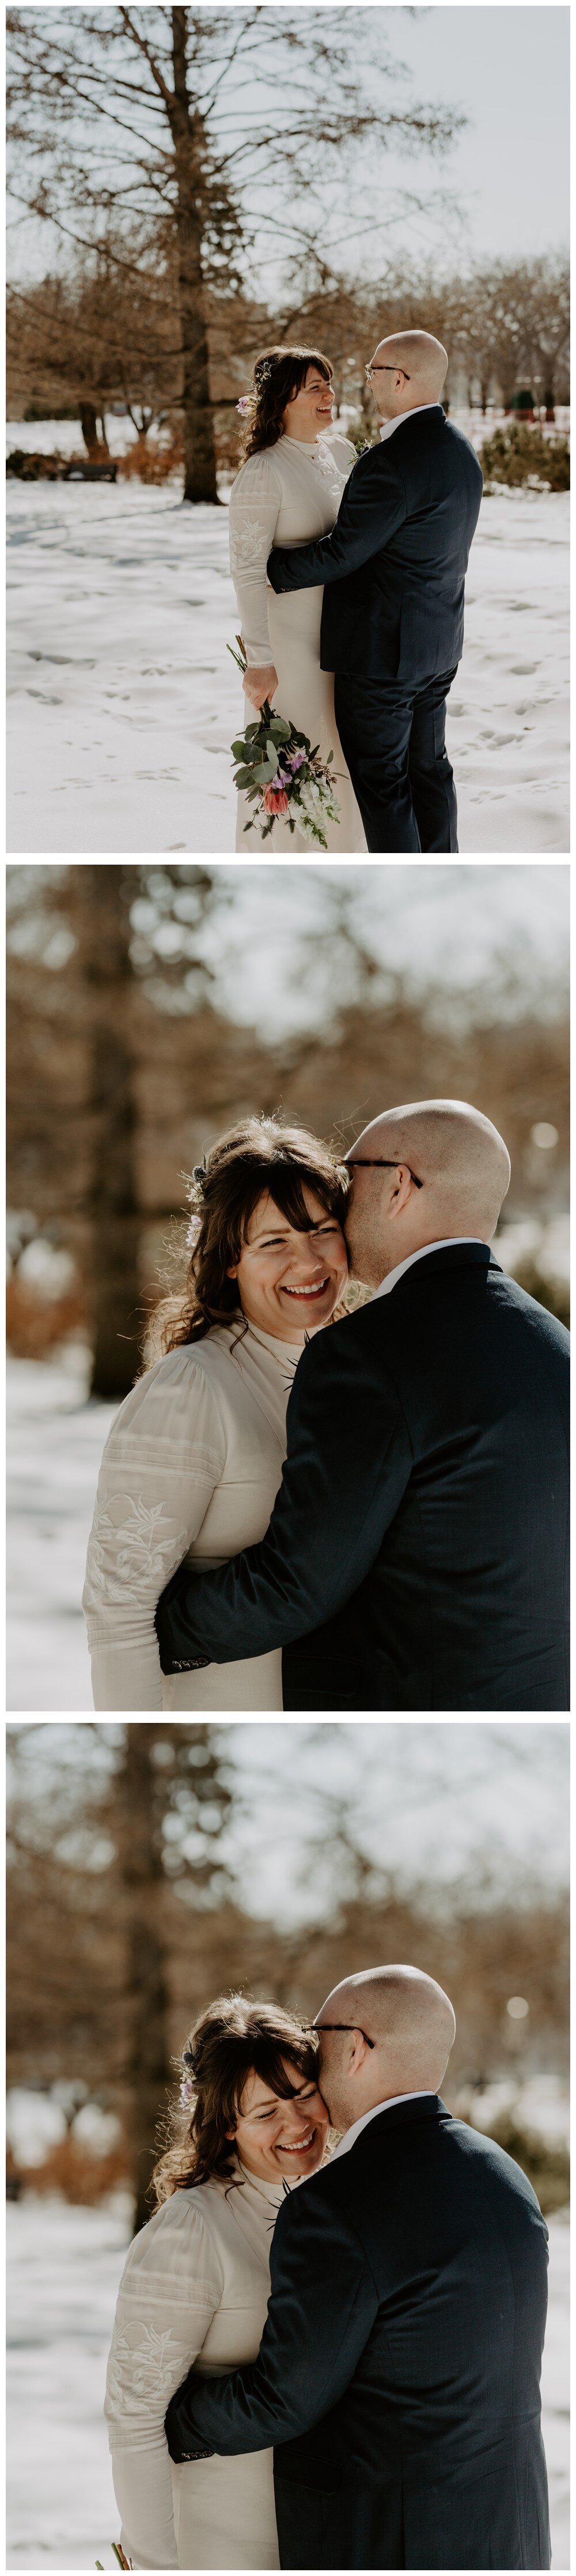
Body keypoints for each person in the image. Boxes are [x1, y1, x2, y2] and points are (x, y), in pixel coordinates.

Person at [156, 1097, 570, 1711]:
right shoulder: (554, 1347)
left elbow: (296, 1583)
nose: (338, 1197)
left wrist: (156, 1625)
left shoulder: (368, 1352)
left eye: (351, 1176)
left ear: (399, 1184)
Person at [164, 1965, 551, 2572]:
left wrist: (174, 2416)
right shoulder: (502, 2175)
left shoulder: (336, 2203)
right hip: (509, 2535)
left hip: (388, 2542)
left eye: (320, 2035)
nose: (313, 2055)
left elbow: (281, 2399)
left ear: (356, 2045)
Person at [82, 1118, 348, 1710]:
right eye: (274, 1242)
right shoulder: (193, 1385)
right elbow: (117, 1611)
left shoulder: (343, 1378)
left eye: (322, 1230)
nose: (308, 1261)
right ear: (230, 1258)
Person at [104, 1994, 330, 2570]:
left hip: (314, 2535)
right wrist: (156, 2563)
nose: (297, 2122)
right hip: (221, 2543)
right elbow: (133, 2418)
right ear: (227, 2126)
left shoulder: (322, 2202)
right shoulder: (191, 2228)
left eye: (304, 2094)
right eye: (266, 2112)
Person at [266, 329, 483, 853]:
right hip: (438, 647)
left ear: (402, 380)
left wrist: (272, 568)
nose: (366, 382)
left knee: (386, 787)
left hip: (384, 659)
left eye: (374, 371)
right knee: (430, 771)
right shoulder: (460, 450)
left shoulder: (391, 461)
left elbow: (344, 552)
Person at [229, 345, 366, 850]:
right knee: (300, 767)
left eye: (329, 383)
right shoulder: (264, 471)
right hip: (289, 652)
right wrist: (260, 660)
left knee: (343, 757)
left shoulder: (343, 452)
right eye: (315, 387)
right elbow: (247, 572)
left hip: (342, 644)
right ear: (283, 399)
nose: (329, 394)